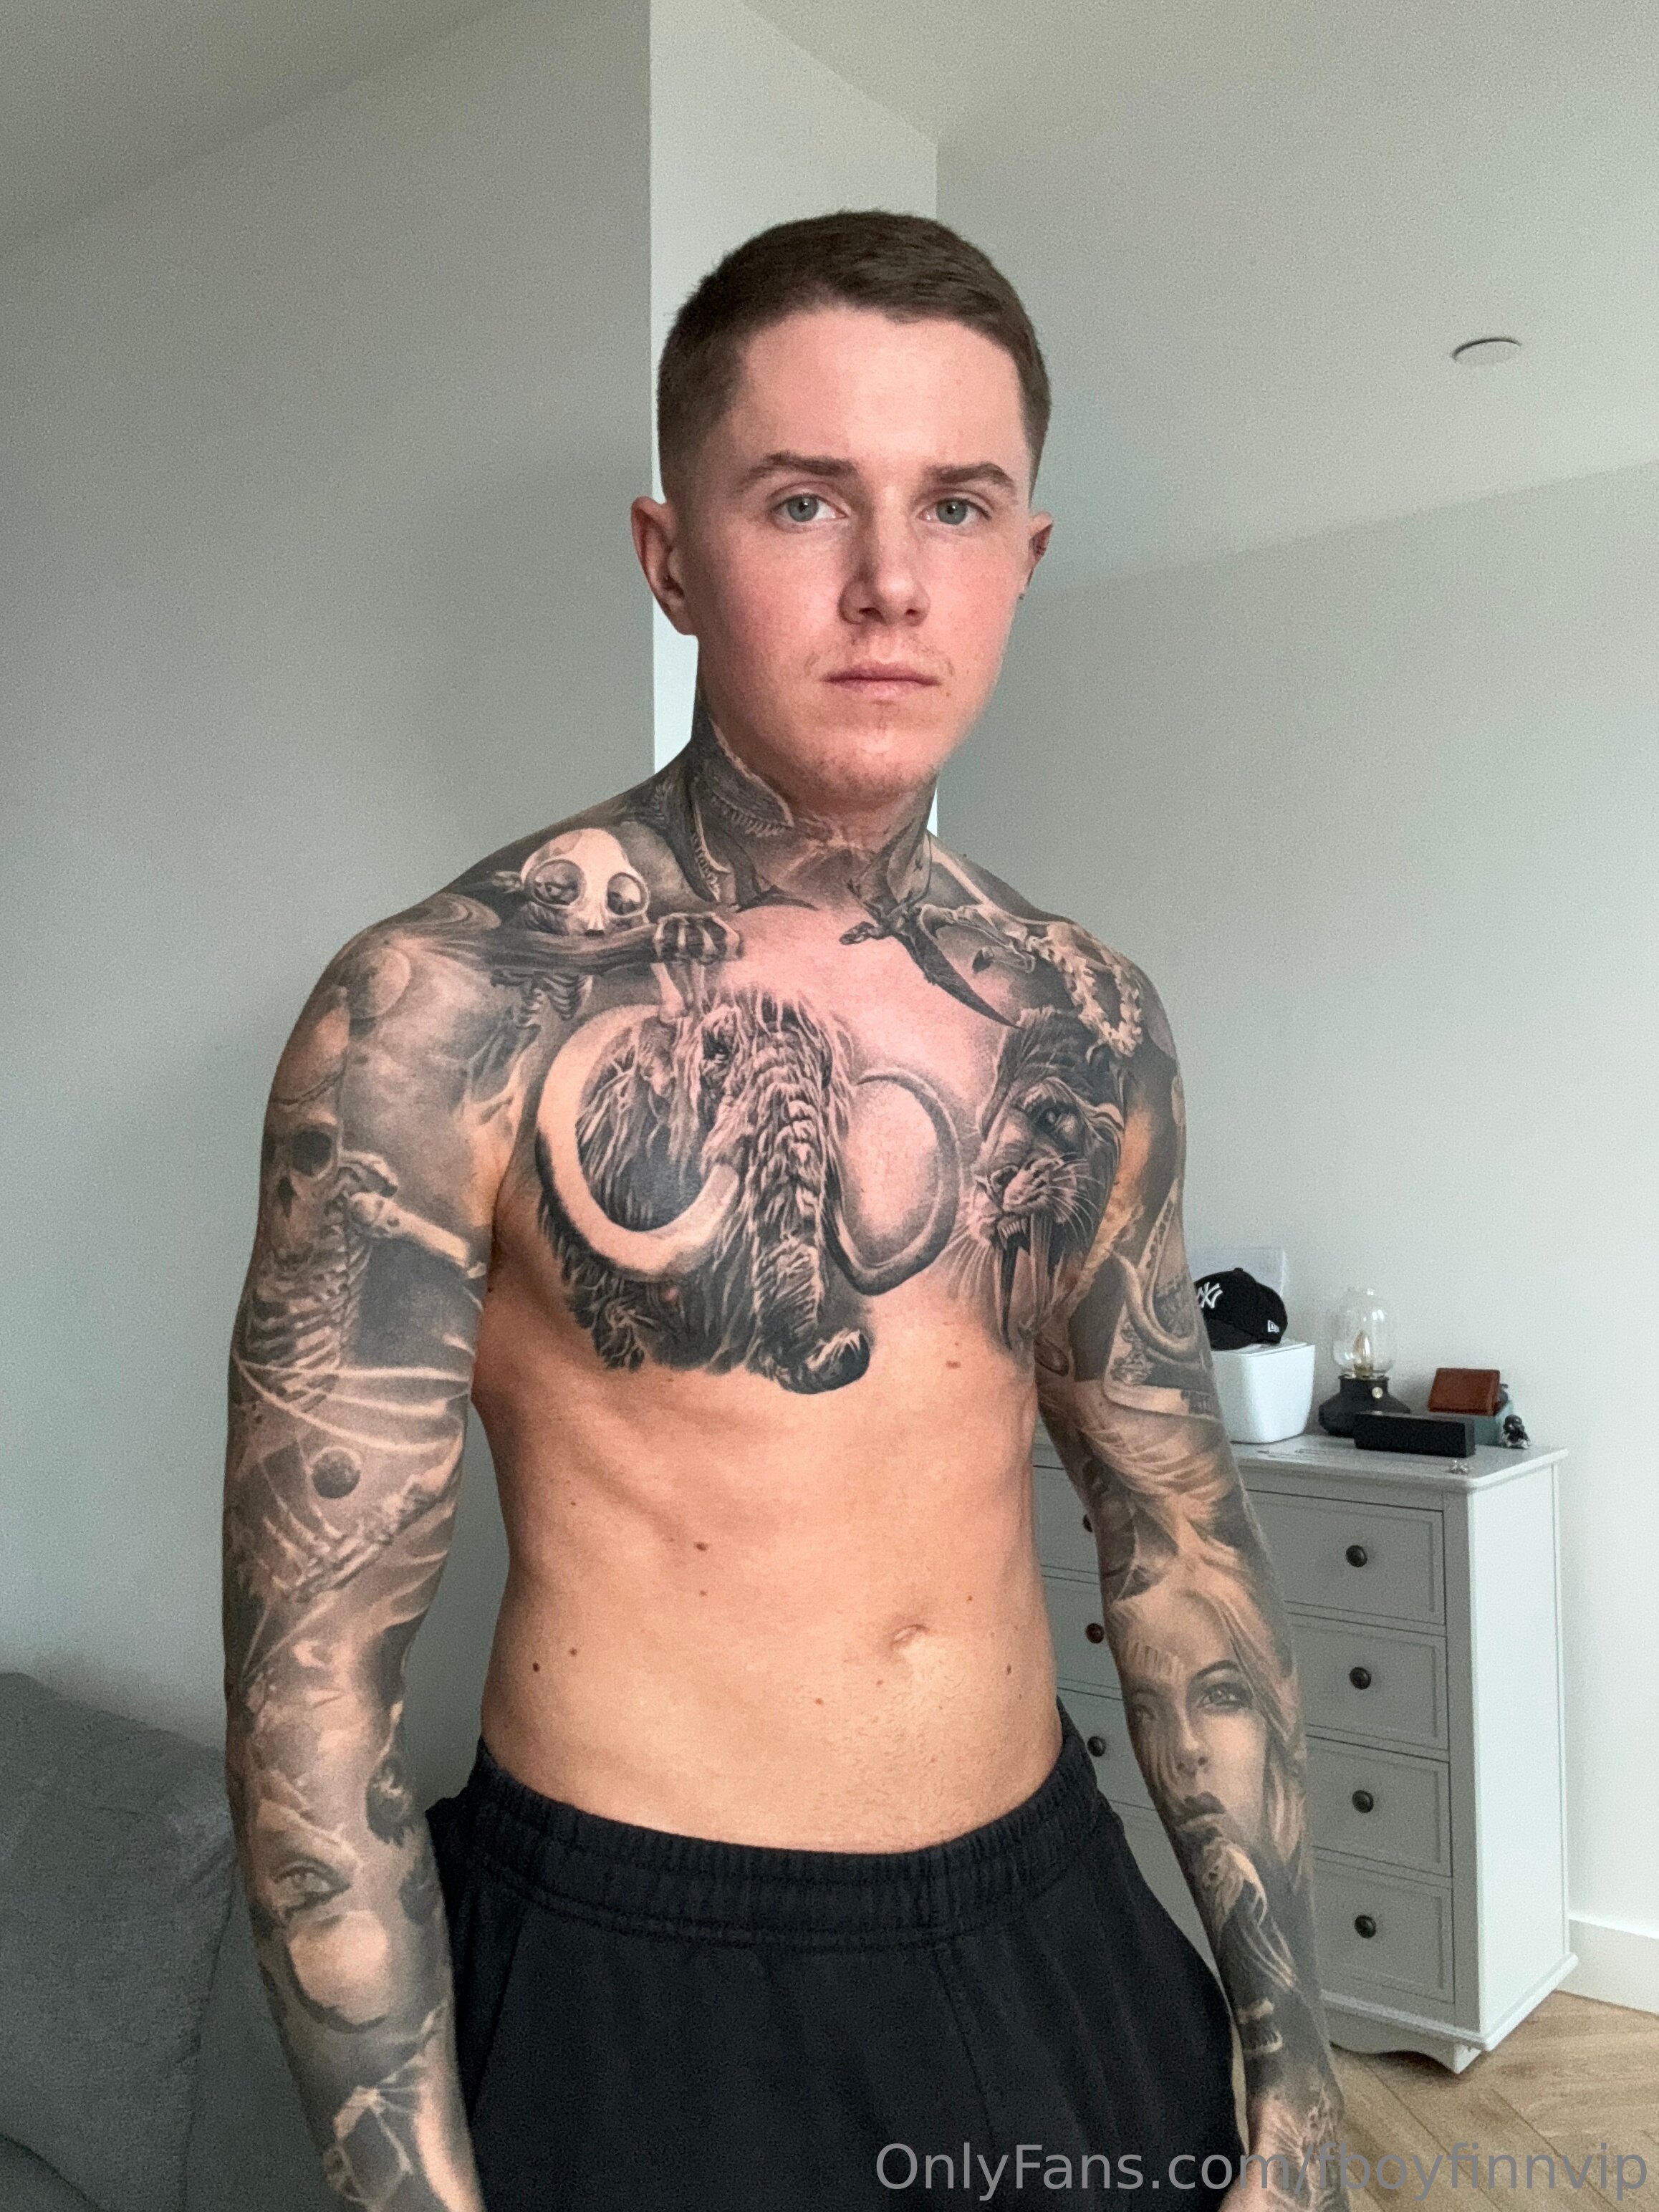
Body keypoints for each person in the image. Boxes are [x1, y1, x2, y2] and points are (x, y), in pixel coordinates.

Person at [221, 211, 1346, 2212]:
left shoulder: (1089, 1021)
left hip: (1045, 1910)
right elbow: (310, 1686)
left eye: (958, 505)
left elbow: (1178, 1531)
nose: (891, 581)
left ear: (1025, 556)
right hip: (644, 1969)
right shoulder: (439, 1013)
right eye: (806, 499)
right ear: (671, 558)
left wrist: (1295, 2067)